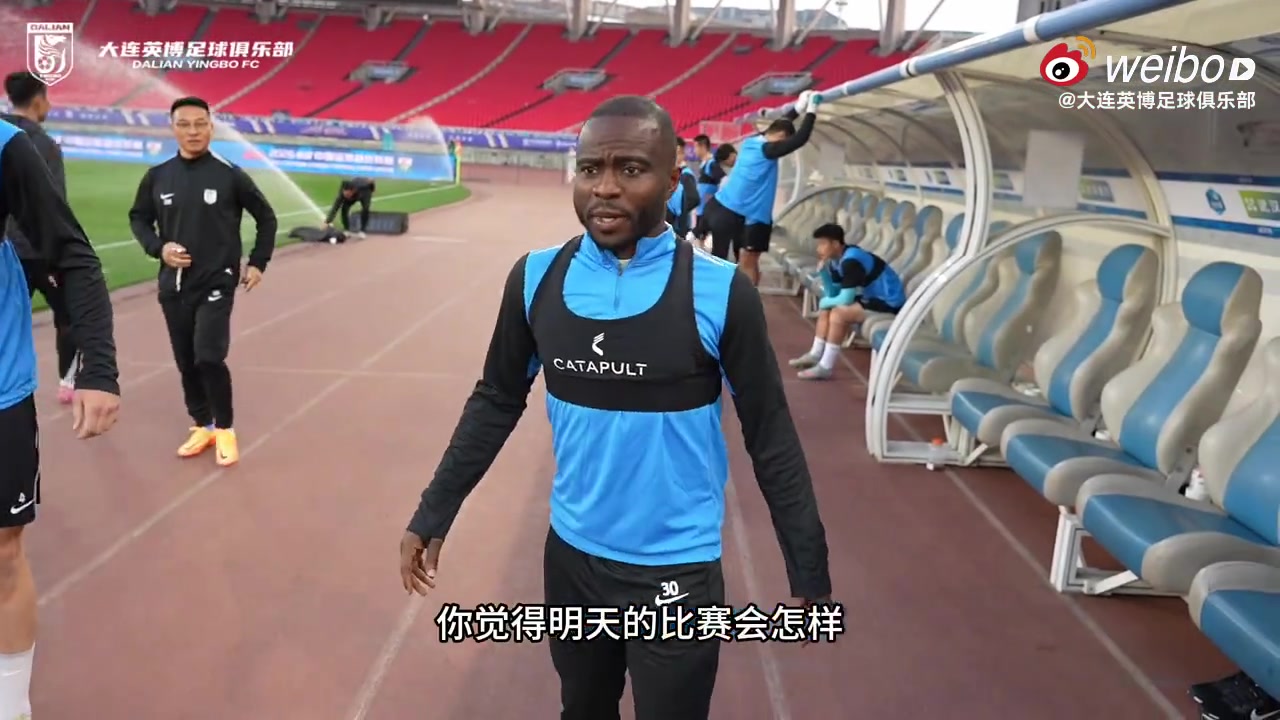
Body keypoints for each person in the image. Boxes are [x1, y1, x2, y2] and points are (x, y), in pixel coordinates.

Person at [399, 95, 832, 720]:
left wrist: (808, 569)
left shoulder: (721, 291)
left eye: (630, 169)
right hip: (573, 560)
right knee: (582, 708)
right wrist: (434, 510)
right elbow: (495, 399)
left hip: (677, 573)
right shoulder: (536, 279)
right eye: (590, 169)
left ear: (673, 179)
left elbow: (770, 436)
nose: (605, 187)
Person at [0, 114, 120, 720]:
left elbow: (72, 254)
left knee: (2, 553)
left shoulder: (6, 147)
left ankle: (10, 704)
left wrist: (98, 368)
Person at [127, 96, 278, 467]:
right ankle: (202, 425)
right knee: (186, 361)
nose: (193, 131)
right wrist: (159, 248)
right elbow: (139, 218)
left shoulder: (229, 175)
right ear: (173, 128)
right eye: (184, 124)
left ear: (211, 127)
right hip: (173, 285)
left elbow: (266, 218)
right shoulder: (158, 176)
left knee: (209, 356)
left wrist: (258, 262)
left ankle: (225, 429)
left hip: (217, 281)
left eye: (200, 124)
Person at [2, 71, 78, 404]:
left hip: (6, 249)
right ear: (38, 100)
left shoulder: (4, 135)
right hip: (39, 253)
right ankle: (68, 382)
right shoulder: (43, 145)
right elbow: (53, 206)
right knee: (69, 315)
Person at [702, 92, 820, 284]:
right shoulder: (768, 150)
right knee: (747, 260)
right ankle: (747, 296)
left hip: (756, 216)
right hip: (752, 214)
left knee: (749, 260)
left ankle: (749, 299)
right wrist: (811, 110)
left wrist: (798, 109)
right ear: (782, 138)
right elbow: (799, 139)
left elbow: (781, 125)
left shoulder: (753, 141)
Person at [790, 223, 905, 380]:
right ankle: (815, 354)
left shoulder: (852, 260)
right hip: (871, 298)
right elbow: (833, 293)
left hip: (889, 302)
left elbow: (846, 298)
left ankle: (825, 366)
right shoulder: (836, 261)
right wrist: (823, 273)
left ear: (836, 244)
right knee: (827, 309)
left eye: (823, 244)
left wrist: (825, 302)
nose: (818, 249)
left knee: (839, 313)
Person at [693, 142, 735, 242]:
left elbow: (724, 181)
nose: (694, 150)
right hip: (704, 208)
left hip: (707, 209)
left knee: (701, 236)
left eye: (696, 147)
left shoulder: (711, 164)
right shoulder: (707, 164)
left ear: (702, 146)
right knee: (700, 237)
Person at [664, 137, 698, 237]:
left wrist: (680, 212)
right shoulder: (667, 173)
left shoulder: (686, 175)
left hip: (677, 228)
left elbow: (694, 199)